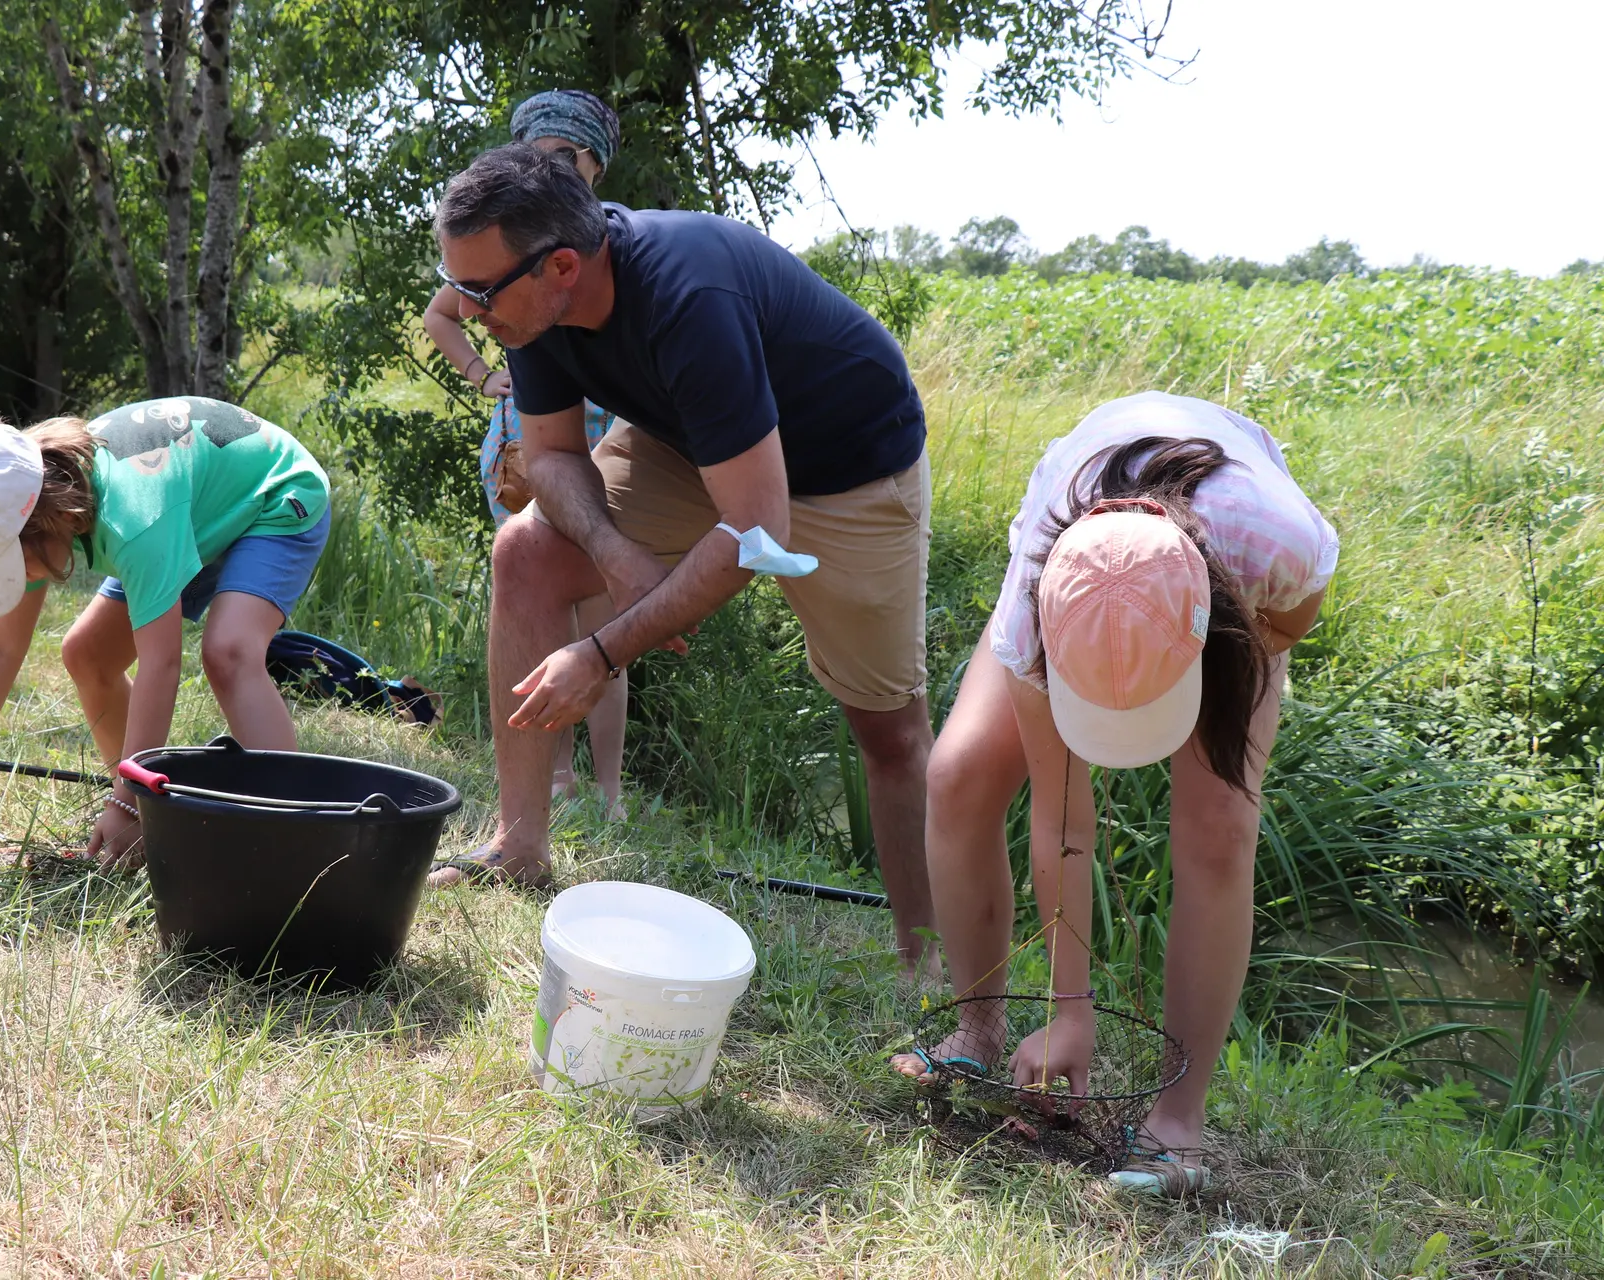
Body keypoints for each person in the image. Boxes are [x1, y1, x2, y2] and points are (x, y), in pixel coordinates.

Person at [428, 144, 939, 978]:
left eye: (480, 291)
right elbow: (552, 458)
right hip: (697, 450)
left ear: (562, 264)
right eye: (461, 287)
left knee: (888, 727)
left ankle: (929, 964)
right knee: (526, 548)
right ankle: (518, 846)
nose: (465, 309)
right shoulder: (532, 307)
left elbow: (756, 532)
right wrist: (621, 557)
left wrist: (601, 650)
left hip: (851, 468)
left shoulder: (686, 293)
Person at [889, 391, 1339, 1196]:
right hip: (1083, 564)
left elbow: (1287, 624)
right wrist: (1071, 1009)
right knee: (958, 774)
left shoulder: (1280, 544)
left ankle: (1177, 1128)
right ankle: (978, 1029)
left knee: (1219, 830)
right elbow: (1066, 821)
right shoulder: (1041, 592)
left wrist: (1214, 682)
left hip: (1229, 591)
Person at [0, 397, 331, 868]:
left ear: (42, 524)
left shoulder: (134, 519)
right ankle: (158, 814)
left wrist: (126, 800)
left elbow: (161, 664)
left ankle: (301, 838)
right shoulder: (32, 502)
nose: (15, 577)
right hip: (190, 514)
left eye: (10, 563)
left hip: (272, 495)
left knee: (230, 652)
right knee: (87, 654)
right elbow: (1, 647)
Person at [423, 89, 630, 815]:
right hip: (525, 444)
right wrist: (485, 377)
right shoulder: (506, 238)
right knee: (542, 603)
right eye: (536, 156)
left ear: (593, 164)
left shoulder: (605, 242)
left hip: (608, 445)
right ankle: (556, 777)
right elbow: (440, 313)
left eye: (564, 158)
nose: (550, 169)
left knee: (607, 625)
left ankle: (606, 788)